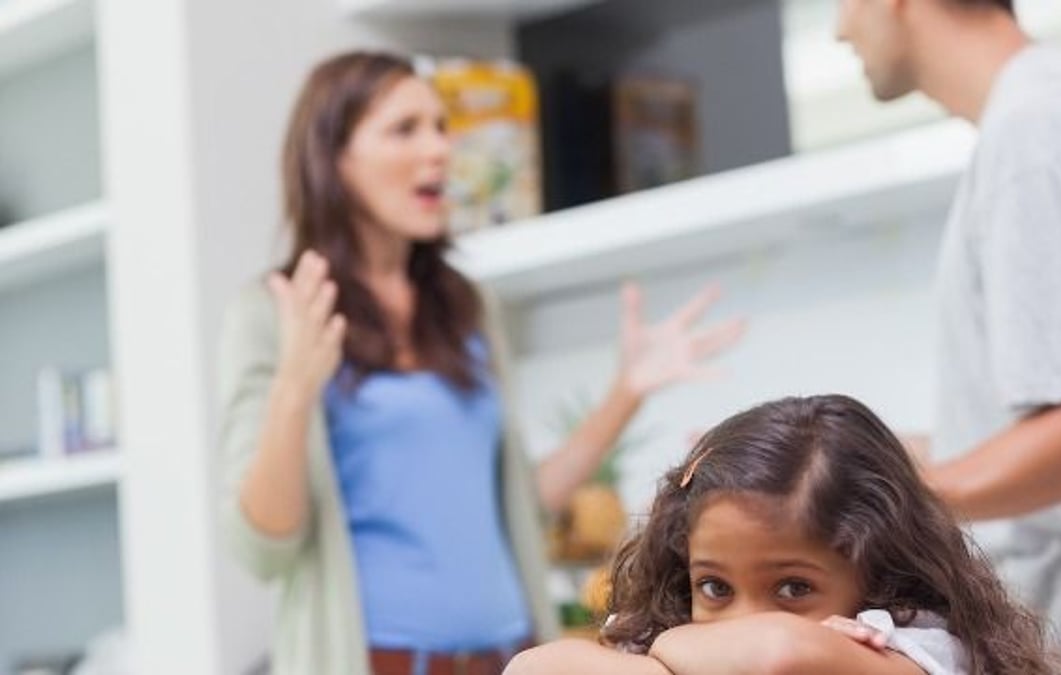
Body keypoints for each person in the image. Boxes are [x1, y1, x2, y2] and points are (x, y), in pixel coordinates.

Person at [215, 50, 745, 675]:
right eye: (405, 129)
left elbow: (523, 501)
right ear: (334, 156)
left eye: (441, 127)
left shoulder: (465, 306)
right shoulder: (274, 312)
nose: (439, 149)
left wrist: (626, 392)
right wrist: (296, 386)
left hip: (508, 656)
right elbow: (263, 544)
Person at [836, 1, 1061, 671]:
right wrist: (847, 462)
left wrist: (885, 502)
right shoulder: (1049, 118)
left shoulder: (1042, 136)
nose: (839, 28)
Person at [504, 394, 1061, 675]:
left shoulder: (920, 648)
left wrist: (663, 649)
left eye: (793, 588)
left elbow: (776, 652)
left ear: (881, 570)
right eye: (715, 588)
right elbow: (531, 668)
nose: (745, 618)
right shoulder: (700, 656)